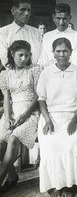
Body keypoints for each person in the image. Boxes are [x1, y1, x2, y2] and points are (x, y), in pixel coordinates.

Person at [37, 37, 77, 197]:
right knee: (50, 144)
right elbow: (41, 99)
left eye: (65, 51)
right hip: (51, 118)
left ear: (71, 52)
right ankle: (54, 185)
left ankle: (69, 185)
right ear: (53, 53)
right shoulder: (46, 72)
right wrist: (47, 120)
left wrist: (74, 120)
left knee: (71, 144)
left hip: (73, 116)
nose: (62, 54)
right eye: (58, 51)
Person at [0, 40, 41, 193]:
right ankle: (12, 176)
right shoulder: (5, 74)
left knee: (13, 138)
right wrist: (7, 117)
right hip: (12, 113)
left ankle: (0, 178)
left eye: (26, 55)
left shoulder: (34, 70)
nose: (24, 58)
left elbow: (38, 96)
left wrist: (25, 115)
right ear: (12, 54)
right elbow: (6, 98)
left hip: (30, 114)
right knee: (0, 144)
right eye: (20, 55)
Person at [0, 0, 42, 65]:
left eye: (29, 10)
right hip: (13, 73)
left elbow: (40, 56)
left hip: (35, 72)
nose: (26, 14)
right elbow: (5, 59)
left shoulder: (36, 32)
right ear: (13, 11)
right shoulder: (3, 32)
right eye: (22, 10)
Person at [38, 3, 77, 67]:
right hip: (51, 72)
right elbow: (44, 59)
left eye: (65, 19)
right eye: (58, 18)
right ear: (53, 18)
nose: (61, 23)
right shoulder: (47, 36)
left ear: (70, 18)